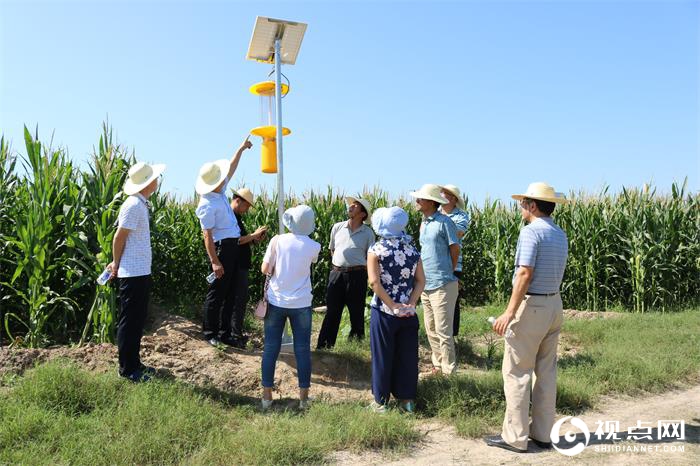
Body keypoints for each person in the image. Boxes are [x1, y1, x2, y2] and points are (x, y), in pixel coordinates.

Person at [485, 182, 569, 453]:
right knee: (546, 372)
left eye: (523, 203)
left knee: (517, 371)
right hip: (554, 304)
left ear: (533, 206)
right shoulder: (559, 233)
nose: (520, 207)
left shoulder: (531, 232)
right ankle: (543, 433)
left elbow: (524, 273)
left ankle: (515, 436)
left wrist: (509, 312)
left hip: (532, 306)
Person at [107, 161, 166, 382]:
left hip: (140, 271)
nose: (157, 180)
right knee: (129, 321)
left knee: (136, 319)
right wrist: (116, 263)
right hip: (132, 273)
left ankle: (135, 363)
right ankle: (127, 369)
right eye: (154, 178)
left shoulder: (140, 204)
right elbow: (119, 237)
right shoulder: (133, 205)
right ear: (148, 183)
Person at [260, 205, 321, 410]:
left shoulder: (277, 240)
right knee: (302, 350)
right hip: (302, 303)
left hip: (276, 301)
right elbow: (309, 263)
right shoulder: (314, 246)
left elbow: (265, 269)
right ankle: (303, 398)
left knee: (270, 348)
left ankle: (267, 396)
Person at [367, 207, 425, 413]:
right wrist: (410, 304)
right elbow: (421, 281)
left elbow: (374, 282)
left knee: (383, 355)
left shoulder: (376, 250)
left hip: (383, 311)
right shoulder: (412, 250)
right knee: (407, 357)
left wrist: (392, 306)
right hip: (409, 313)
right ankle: (407, 402)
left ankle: (380, 402)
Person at [195, 137, 252, 346]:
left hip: (232, 248)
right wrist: (215, 261)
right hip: (222, 249)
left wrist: (241, 149)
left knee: (230, 293)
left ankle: (226, 333)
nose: (225, 179)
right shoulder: (207, 204)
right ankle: (210, 333)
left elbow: (232, 166)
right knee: (217, 292)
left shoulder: (219, 192)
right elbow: (207, 236)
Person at [410, 184, 460, 375]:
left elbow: (454, 249)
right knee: (430, 329)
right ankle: (438, 366)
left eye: (420, 198)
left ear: (431, 202)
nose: (417, 201)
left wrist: (448, 271)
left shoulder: (444, 222)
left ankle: (449, 372)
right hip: (426, 283)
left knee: (443, 330)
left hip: (443, 283)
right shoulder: (424, 223)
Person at [316, 196, 375, 349]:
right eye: (351, 205)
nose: (351, 207)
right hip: (337, 274)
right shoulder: (337, 227)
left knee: (356, 313)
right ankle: (324, 346)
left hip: (357, 276)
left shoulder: (368, 233)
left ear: (363, 214)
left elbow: (371, 257)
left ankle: (355, 348)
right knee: (332, 312)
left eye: (355, 206)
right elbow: (332, 250)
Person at [226, 187, 268, 349]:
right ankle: (233, 334)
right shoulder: (229, 218)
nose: (248, 209)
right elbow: (234, 240)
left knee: (239, 300)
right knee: (237, 300)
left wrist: (255, 239)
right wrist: (253, 235)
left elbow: (242, 241)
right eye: (247, 206)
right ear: (238, 201)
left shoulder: (236, 217)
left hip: (241, 265)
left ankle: (235, 332)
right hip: (235, 266)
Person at [440, 185, 470, 337]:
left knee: (452, 300)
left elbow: (458, 233)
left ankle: (453, 335)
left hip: (453, 263)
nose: (440, 195)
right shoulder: (435, 213)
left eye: (444, 194)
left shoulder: (461, 215)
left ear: (453, 198)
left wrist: (438, 232)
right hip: (436, 264)